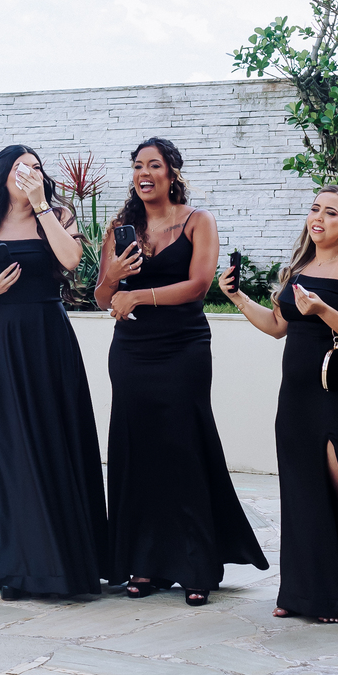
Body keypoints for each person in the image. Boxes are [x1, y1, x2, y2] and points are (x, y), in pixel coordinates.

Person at [96, 137, 268, 606]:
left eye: (154, 165)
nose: (144, 173)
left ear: (172, 173)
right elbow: (102, 297)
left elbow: (197, 286)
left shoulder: (198, 221)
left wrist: (139, 295)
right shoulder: (120, 228)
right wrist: (114, 275)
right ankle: (145, 563)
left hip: (182, 348)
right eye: (137, 165)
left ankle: (196, 565)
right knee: (137, 450)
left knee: (182, 448)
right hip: (131, 350)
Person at [220, 186, 338, 624]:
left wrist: (322, 311)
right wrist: (238, 297)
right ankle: (304, 591)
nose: (318, 217)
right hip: (298, 394)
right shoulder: (299, 266)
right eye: (315, 208)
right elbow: (277, 325)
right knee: (304, 488)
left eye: (331, 212)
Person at [0, 143, 109, 600]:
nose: (29, 174)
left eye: (36, 167)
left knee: (53, 437)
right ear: (3, 175)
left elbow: (71, 260)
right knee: (7, 445)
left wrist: (41, 206)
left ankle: (60, 560)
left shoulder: (59, 216)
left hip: (47, 338)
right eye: (20, 168)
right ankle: (15, 565)